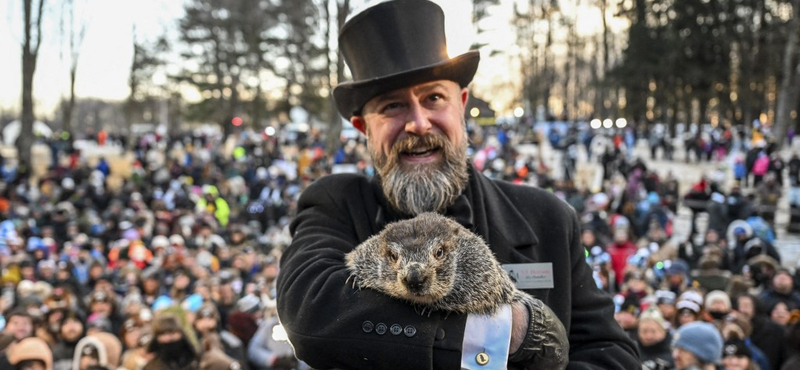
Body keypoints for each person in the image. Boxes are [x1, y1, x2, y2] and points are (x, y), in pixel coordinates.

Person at [275, 0, 640, 369]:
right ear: (363, 128)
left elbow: (612, 355)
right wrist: (508, 330)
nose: (418, 123)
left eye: (433, 98)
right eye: (391, 107)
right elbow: (309, 311)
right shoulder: (334, 203)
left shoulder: (548, 217)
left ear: (461, 104)